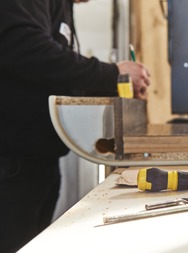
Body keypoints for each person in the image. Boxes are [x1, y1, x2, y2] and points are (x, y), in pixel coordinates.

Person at [0, 0, 150, 252]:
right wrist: (112, 73)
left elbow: (60, 70)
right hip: (10, 164)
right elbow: (29, 50)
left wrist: (117, 80)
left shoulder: (60, 6)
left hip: (39, 160)